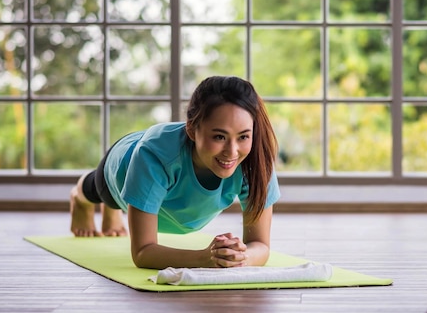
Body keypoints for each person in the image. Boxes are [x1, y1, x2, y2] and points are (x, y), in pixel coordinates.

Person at [69, 76, 280, 270]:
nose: (232, 151)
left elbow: (260, 244)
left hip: (164, 164)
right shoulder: (153, 158)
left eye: (243, 137)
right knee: (98, 191)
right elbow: (143, 252)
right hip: (121, 168)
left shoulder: (256, 161)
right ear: (191, 130)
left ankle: (111, 212)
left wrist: (241, 258)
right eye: (219, 137)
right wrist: (205, 258)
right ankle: (80, 199)